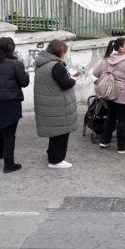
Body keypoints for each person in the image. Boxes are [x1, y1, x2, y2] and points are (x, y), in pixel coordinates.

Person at [0, 37, 30, 173]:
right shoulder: (16, 64)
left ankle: (0, 153)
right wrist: (23, 69)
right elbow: (24, 82)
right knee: (9, 134)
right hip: (10, 103)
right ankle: (9, 164)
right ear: (11, 49)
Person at [33, 39, 77, 169]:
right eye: (64, 52)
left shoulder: (41, 63)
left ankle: (52, 155)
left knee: (55, 132)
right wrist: (73, 80)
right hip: (57, 105)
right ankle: (56, 160)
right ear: (59, 52)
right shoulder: (56, 66)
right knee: (61, 133)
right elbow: (65, 84)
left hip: (49, 104)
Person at [92, 37, 125, 154]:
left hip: (108, 92)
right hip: (123, 92)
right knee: (122, 119)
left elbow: (95, 72)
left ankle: (104, 140)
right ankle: (122, 146)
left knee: (111, 116)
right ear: (121, 47)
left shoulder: (107, 58)